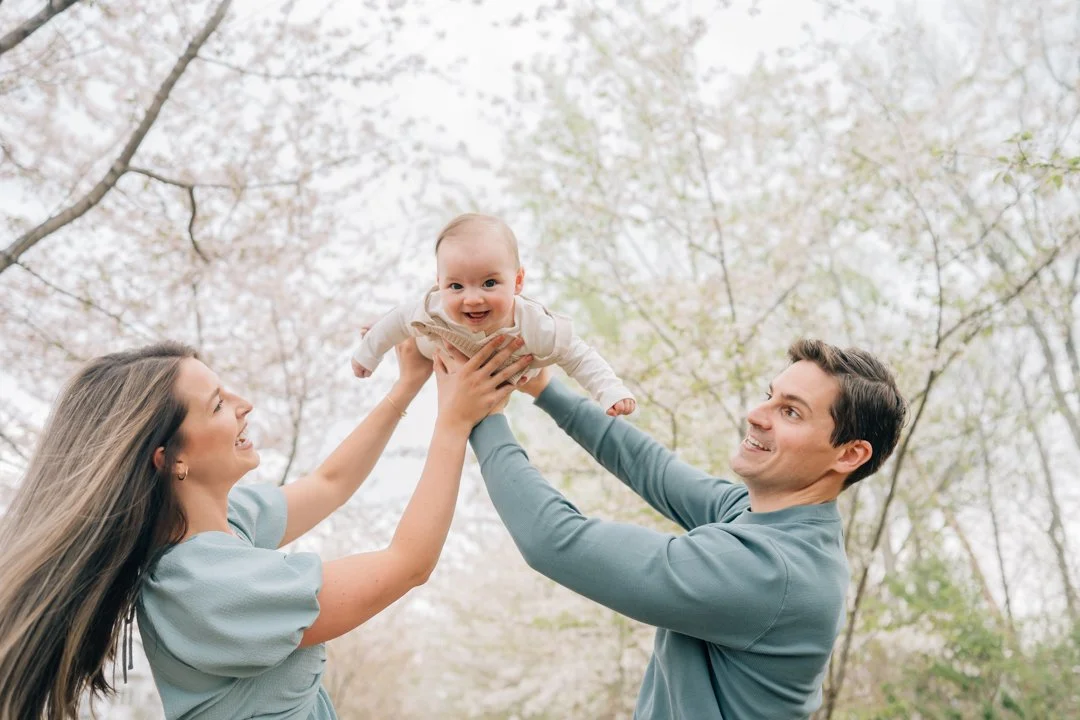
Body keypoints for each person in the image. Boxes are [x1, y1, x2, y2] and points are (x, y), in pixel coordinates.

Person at [0, 335, 532, 720]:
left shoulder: (225, 528)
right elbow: (407, 565)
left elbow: (329, 482)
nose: (243, 405)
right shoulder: (205, 586)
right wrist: (453, 422)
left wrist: (406, 387)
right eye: (217, 405)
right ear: (171, 459)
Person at [460, 338, 908, 719]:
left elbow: (557, 542)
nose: (756, 414)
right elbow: (650, 467)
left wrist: (481, 415)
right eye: (770, 396)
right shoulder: (769, 520)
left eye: (790, 412)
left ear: (849, 455)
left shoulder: (769, 570)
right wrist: (541, 385)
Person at [351, 212, 637, 416]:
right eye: (456, 286)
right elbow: (401, 318)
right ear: (439, 283)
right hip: (437, 341)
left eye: (489, 283)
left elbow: (579, 355)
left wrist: (610, 391)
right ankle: (378, 329)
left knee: (411, 320)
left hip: (513, 364)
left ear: (518, 281)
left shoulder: (536, 326)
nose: (473, 299)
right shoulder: (436, 307)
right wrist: (369, 352)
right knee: (408, 324)